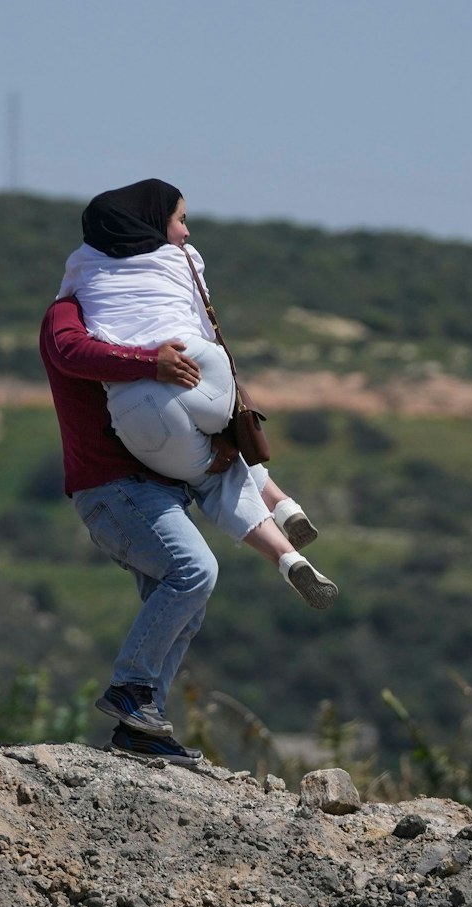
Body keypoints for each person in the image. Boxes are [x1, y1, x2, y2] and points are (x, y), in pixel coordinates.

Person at [58, 178, 338, 611]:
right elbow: (205, 328)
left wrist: (147, 362)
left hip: (141, 407)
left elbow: (70, 340)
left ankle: (286, 556)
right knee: (227, 446)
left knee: (209, 474)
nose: (186, 232)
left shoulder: (81, 267)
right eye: (181, 220)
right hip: (201, 367)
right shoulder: (183, 258)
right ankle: (283, 505)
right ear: (153, 221)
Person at [40, 292, 230, 765]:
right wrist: (150, 363)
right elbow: (68, 351)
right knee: (193, 572)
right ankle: (131, 688)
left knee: (185, 605)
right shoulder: (72, 310)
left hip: (152, 491)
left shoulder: (141, 309)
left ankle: (141, 730)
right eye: (178, 220)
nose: (184, 233)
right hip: (114, 487)